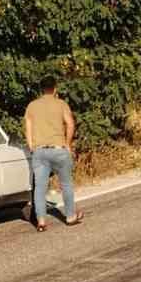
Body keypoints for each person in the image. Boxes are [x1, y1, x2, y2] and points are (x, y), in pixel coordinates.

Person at [24, 76, 83, 231]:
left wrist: (31, 147)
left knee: (40, 188)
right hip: (59, 149)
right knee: (66, 184)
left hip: (39, 151)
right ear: (55, 88)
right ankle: (70, 216)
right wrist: (67, 144)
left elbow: (28, 128)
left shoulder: (32, 106)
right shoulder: (61, 104)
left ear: (41, 89)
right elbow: (70, 124)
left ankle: (41, 222)